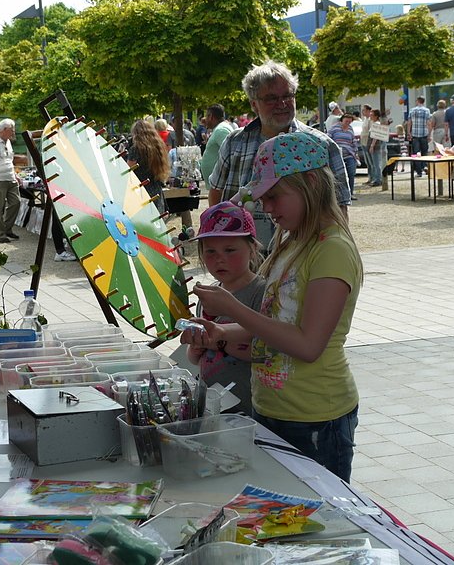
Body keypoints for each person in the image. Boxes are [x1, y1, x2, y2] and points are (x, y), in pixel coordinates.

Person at [182, 131, 363, 482]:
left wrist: (233, 308)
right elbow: (276, 322)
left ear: (311, 183)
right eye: (262, 198)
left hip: (315, 416)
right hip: (272, 408)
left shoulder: (332, 249)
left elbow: (308, 345)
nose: (266, 208)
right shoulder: (293, 241)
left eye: (274, 196)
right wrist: (220, 333)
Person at [207, 60, 351, 248]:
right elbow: (216, 192)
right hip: (245, 256)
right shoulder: (234, 142)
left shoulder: (322, 146)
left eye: (287, 95)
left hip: (302, 255)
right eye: (271, 98)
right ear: (254, 104)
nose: (282, 104)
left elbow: (339, 209)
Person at [186, 202, 265, 415]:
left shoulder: (261, 292)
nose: (220, 258)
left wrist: (219, 341)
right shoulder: (209, 295)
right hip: (212, 404)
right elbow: (195, 358)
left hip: (250, 406)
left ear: (252, 249)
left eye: (230, 250)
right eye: (210, 251)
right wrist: (195, 347)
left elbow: (266, 352)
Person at [126, 119, 171, 214]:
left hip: (140, 192)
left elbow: (128, 170)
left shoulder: (136, 149)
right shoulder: (158, 147)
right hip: (156, 190)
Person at [199, 104, 234, 183]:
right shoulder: (220, 129)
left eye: (206, 116)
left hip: (219, 184)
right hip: (216, 183)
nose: (205, 119)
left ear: (211, 116)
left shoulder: (221, 130)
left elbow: (230, 154)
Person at [327, 112, 359, 199]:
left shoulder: (350, 129)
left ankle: (350, 193)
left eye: (349, 122)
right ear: (342, 120)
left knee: (351, 173)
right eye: (346, 121)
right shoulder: (334, 128)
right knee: (339, 175)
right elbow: (328, 138)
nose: (347, 123)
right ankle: (339, 194)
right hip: (338, 155)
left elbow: (353, 141)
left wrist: (356, 152)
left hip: (349, 154)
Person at [406, 96, 432, 175]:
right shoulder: (427, 110)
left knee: (416, 153)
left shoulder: (412, 110)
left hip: (415, 134)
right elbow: (429, 123)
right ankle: (424, 167)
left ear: (417, 101)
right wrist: (429, 134)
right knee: (424, 152)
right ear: (423, 101)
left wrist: (408, 132)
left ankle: (418, 171)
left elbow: (409, 122)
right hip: (424, 134)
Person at [367, 108, 386, 186]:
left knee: (376, 164)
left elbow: (375, 136)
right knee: (375, 163)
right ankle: (376, 179)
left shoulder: (376, 124)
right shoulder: (374, 123)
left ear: (376, 116)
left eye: (372, 115)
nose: (370, 116)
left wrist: (372, 145)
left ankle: (378, 180)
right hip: (375, 146)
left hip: (376, 146)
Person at [359, 104, 373, 184]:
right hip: (363, 142)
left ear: (368, 110)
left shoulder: (371, 119)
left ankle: (373, 178)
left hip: (368, 142)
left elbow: (371, 132)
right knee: (367, 162)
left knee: (371, 162)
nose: (362, 112)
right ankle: (370, 178)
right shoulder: (365, 119)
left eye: (364, 110)